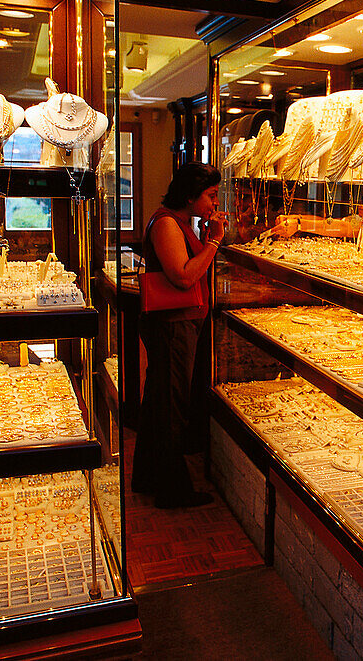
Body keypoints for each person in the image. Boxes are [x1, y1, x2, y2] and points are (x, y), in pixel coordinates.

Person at [131, 162, 227, 508]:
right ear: (190, 195)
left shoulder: (181, 222)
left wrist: (205, 238)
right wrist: (214, 241)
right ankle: (173, 490)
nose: (214, 204)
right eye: (211, 196)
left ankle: (147, 477)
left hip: (178, 323)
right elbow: (184, 277)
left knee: (160, 401)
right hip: (172, 325)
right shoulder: (167, 223)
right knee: (172, 406)